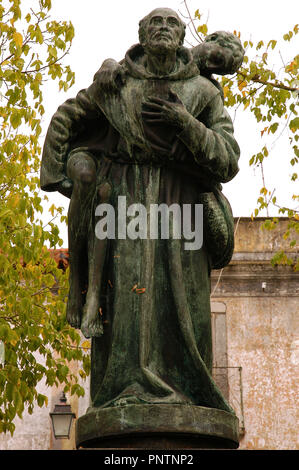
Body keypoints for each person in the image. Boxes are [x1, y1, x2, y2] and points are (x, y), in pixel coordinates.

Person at [40, 8, 240, 413]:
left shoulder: (203, 91)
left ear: (183, 35)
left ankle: (191, 398)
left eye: (171, 23)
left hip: (184, 211)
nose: (163, 28)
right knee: (129, 310)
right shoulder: (116, 84)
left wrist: (186, 123)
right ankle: (124, 393)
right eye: (155, 23)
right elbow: (67, 116)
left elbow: (228, 159)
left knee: (185, 312)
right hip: (126, 206)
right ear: (142, 35)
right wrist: (63, 179)